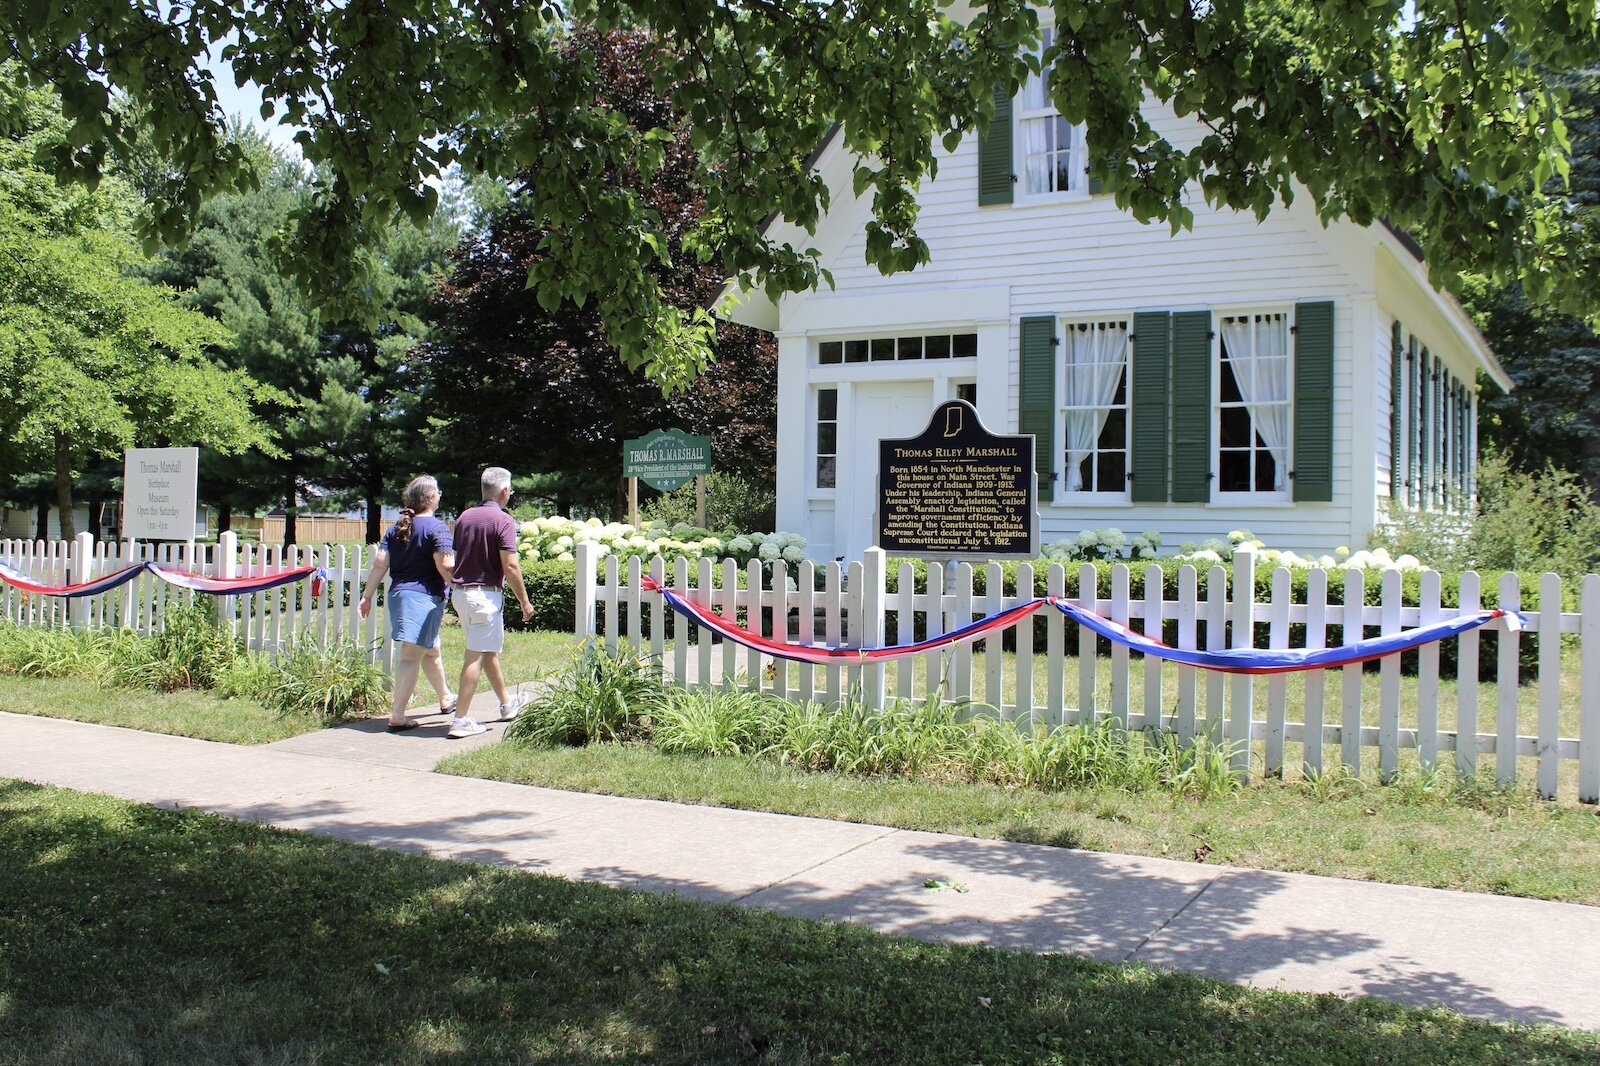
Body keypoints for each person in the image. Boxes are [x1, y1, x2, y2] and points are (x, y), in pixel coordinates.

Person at [357, 476, 459, 732]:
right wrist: (459, 590)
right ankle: (398, 715)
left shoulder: (395, 528)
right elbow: (446, 565)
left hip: (399, 596)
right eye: (438, 492)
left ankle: (445, 697)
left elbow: (380, 563)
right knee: (411, 656)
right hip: (423, 600)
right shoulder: (437, 528)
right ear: (432, 498)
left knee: (431, 648)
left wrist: (367, 596)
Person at [448, 466, 534, 737]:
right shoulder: (503, 520)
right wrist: (524, 601)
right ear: (505, 491)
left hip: (461, 595)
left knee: (486, 651)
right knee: (475, 656)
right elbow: (510, 566)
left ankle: (507, 704)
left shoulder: (464, 517)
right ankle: (460, 720)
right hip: (484, 597)